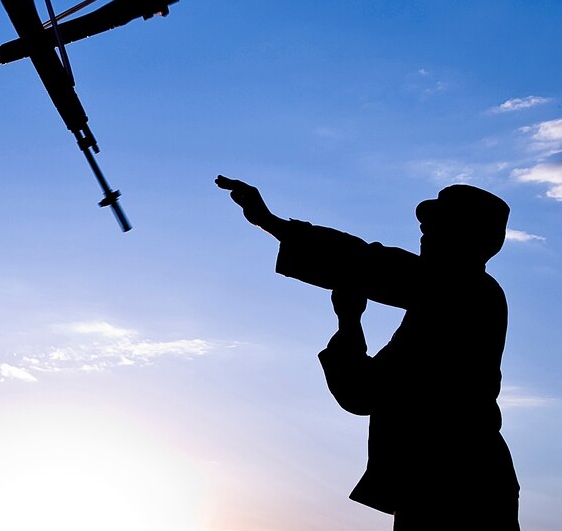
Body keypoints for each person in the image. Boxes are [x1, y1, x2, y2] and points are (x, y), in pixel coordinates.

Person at [215, 175, 519, 530]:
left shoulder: (462, 292)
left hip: (454, 488)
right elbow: (364, 391)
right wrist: (349, 321)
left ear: (467, 236)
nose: (424, 228)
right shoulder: (449, 302)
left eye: (437, 224)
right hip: (447, 485)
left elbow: (368, 265)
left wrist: (271, 223)